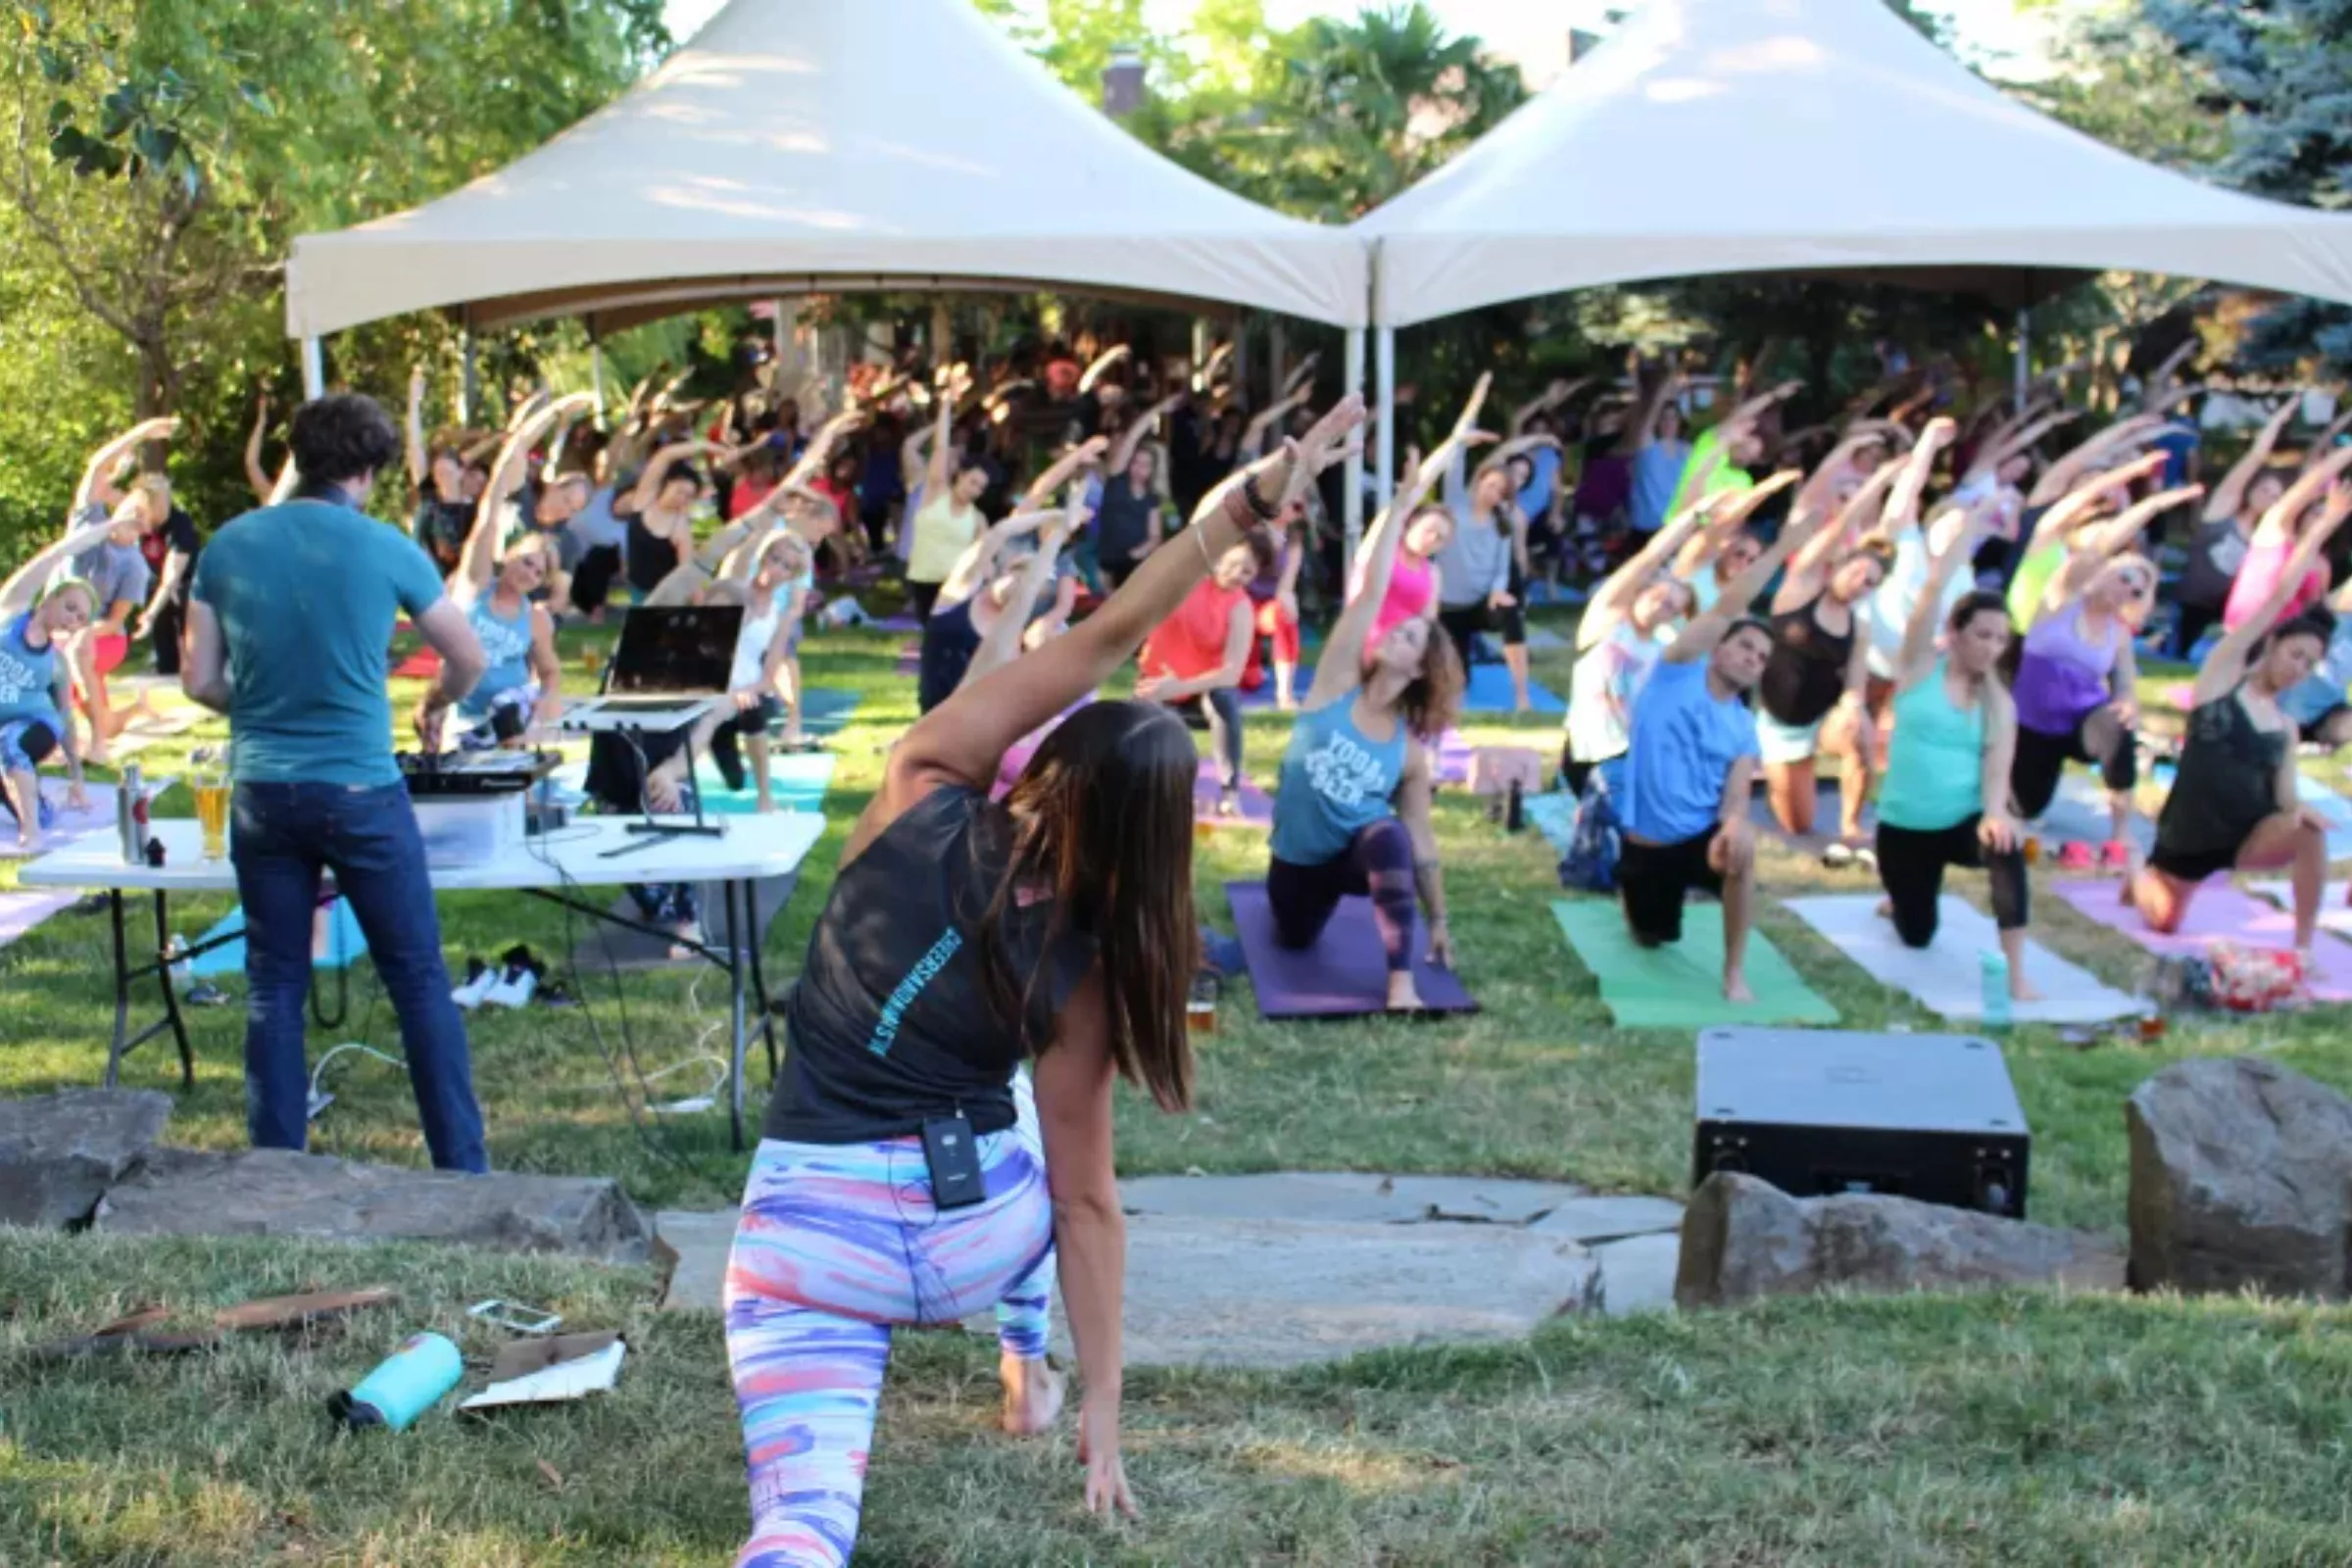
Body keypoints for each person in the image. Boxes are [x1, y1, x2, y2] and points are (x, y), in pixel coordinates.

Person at [721, 396, 1365, 1567]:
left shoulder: (920, 780)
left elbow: (1115, 628)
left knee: (804, 1525)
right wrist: (1104, 1411)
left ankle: (815, 1528)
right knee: (1024, 1121)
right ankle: (1030, 1378)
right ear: (1157, 849)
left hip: (811, 1242)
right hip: (970, 1241)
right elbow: (1087, 1206)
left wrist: (1245, 510)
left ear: (1050, 756)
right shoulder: (1091, 975)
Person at [181, 393, 492, 1173]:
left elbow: (198, 678)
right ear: (370, 469)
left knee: (273, 983)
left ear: (297, 455)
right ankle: (462, 1168)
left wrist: (256, 702)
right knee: (418, 978)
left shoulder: (227, 544)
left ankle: (276, 1165)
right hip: (358, 787)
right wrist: (432, 703)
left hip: (264, 790)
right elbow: (469, 659)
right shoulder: (386, 547)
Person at [1264, 395, 1475, 1011]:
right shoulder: (1333, 684)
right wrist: (1401, 506)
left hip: (1353, 857)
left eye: (1409, 636)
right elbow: (1371, 588)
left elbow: (1423, 840)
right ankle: (1323, 923)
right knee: (1294, 936)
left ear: (1418, 670)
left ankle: (1400, 983)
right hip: (1296, 868)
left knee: (1388, 836)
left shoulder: (1408, 753)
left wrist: (1440, 920)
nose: (1394, 631)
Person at [1618, 503, 1831, 1003]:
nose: (1752, 659)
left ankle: (1734, 973)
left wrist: (1735, 824)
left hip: (1699, 839)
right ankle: (1641, 910)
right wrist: (1781, 549)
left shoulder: (1742, 727)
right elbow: (1730, 604)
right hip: (1644, 846)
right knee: (1651, 936)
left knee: (1744, 850)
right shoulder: (1676, 672)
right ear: (1717, 648)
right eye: (1745, 648)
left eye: (1761, 657)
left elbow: (1736, 797)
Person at [2131, 492, 2351, 957]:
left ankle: (2302, 948)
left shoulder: (2286, 727)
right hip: (2187, 841)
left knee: (2310, 835)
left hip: (2245, 839)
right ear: (2270, 645)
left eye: (2310, 665)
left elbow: (2286, 798)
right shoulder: (2221, 681)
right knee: (2165, 922)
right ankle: (2138, 876)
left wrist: (2301, 813)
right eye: (2295, 655)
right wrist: (2322, 526)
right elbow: (2278, 597)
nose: (2299, 669)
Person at [1874, 513, 2038, 1001]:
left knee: (2006, 845)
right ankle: (1899, 900)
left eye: (2000, 639)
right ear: (1958, 632)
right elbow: (1926, 601)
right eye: (1982, 634)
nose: (1991, 647)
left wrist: (1993, 812)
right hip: (1904, 826)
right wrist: (1964, 538)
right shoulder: (1920, 667)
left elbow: (1996, 767)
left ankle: (2016, 972)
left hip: (1961, 821)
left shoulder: (1999, 702)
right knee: (1917, 934)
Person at [2008, 484, 2198, 863]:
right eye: (2124, 577)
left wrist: (2127, 701)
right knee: (2024, 807)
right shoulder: (2061, 597)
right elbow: (2099, 548)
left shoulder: (2118, 634)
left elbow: (2125, 681)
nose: (2128, 587)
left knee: (2116, 730)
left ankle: (2120, 833)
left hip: (2081, 721)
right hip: (2032, 725)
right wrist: (2154, 504)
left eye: (2137, 588)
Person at [1754, 509, 1893, 855]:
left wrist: (1854, 710)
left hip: (1821, 719)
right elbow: (1827, 537)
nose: (1861, 581)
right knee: (1798, 825)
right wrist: (1866, 494)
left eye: (1871, 581)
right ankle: (1785, 782)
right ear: (1839, 566)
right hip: (1779, 723)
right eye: (1858, 571)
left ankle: (1851, 824)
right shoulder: (1800, 593)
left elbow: (1855, 682)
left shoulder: (1857, 626)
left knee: (1860, 731)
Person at [446, 403, 572, 749]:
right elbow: (489, 508)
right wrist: (531, 430)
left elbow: (550, 671)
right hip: (460, 714)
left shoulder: (535, 618)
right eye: (526, 561)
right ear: (509, 557)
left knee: (511, 715)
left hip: (509, 725)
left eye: (538, 571)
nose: (529, 573)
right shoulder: (475, 587)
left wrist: (550, 695)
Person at [1138, 529, 1273, 815]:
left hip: (1199, 692)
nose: (1237, 574)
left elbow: (1231, 674)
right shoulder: (1185, 580)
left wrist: (1180, 686)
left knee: (1224, 697)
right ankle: (1164, 791)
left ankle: (1230, 790)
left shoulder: (1241, 607)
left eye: (1247, 572)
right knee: (1158, 733)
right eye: (1233, 564)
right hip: (1156, 686)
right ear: (1219, 553)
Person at [0, 519, 100, 846]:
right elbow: (49, 559)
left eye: (80, 619)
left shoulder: (56, 663)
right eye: (71, 608)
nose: (73, 619)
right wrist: (111, 524)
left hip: (38, 726)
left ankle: (32, 833)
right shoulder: (10, 614)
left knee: (9, 743)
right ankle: (38, 810)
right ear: (50, 599)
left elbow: (67, 717)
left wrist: (77, 777)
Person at [2176, 396, 2299, 658]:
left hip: (2224, 614)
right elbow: (2255, 457)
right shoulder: (2222, 512)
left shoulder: (2264, 538)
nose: (2268, 496)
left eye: (2275, 496)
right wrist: (2276, 423)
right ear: (2252, 487)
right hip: (2188, 606)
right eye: (2264, 489)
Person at [1433, 438, 1536, 711]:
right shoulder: (1454, 506)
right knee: (1458, 680)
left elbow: (1502, 569)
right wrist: (1462, 442)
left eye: (1500, 491)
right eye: (1490, 485)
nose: (1492, 493)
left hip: (1480, 603)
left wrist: (1498, 591)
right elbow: (1453, 470)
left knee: (1511, 613)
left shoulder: (1501, 524)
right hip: (1447, 608)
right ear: (1478, 482)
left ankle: (1522, 695)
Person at [2222, 443, 2352, 632]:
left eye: (2328, 515)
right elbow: (2314, 480)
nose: (2321, 519)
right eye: (2317, 513)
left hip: (2282, 639)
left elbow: (2314, 609)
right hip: (2243, 631)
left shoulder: (2322, 564)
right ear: (2304, 512)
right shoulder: (2275, 532)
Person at [905, 366, 990, 619]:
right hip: (922, 582)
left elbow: (985, 556)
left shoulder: (977, 519)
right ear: (960, 475)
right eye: (973, 482)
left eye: (981, 488)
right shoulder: (935, 494)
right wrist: (946, 405)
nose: (975, 490)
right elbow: (940, 448)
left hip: (955, 587)